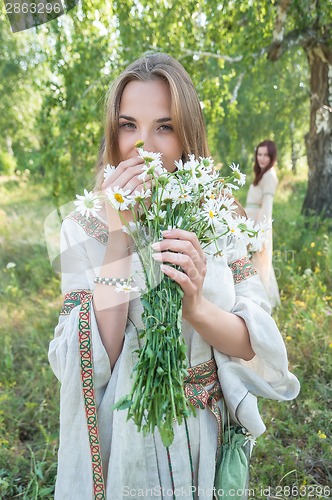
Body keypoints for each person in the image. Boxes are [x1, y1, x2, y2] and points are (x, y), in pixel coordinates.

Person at [49, 54, 299, 499]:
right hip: (128, 435)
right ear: (113, 131)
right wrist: (118, 234)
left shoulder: (220, 217)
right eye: (129, 125)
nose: (142, 145)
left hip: (204, 431)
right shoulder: (82, 226)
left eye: (163, 126)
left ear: (188, 134)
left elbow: (250, 343)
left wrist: (197, 306)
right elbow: (93, 361)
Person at [245, 140, 281, 308]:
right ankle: (257, 300)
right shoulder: (262, 174)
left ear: (272, 156)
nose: (262, 158)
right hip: (251, 223)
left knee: (259, 264)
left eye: (266, 155)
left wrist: (258, 234)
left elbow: (266, 208)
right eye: (259, 154)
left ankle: (261, 302)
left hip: (258, 226)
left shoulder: (269, 176)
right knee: (257, 264)